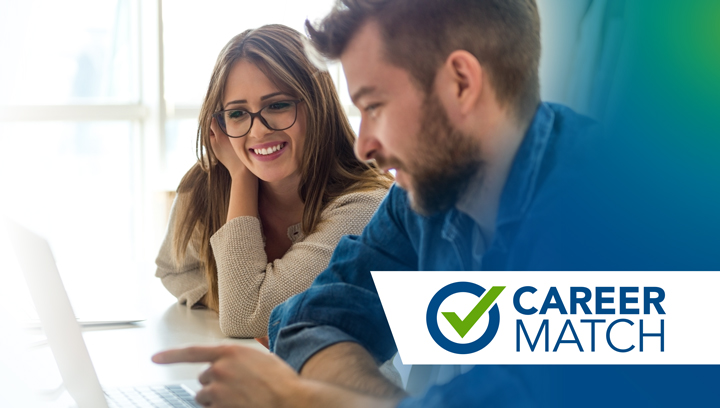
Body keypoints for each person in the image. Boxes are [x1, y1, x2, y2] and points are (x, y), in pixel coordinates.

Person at [154, 1, 716, 407]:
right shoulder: (419, 202)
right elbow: (310, 320)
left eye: (373, 105)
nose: (363, 143)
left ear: (461, 83)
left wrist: (306, 400)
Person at [154, 24, 392, 339]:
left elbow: (246, 316)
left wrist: (241, 177)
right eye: (238, 113)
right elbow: (174, 269)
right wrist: (232, 296)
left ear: (317, 106)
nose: (257, 131)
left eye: (277, 105)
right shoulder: (208, 183)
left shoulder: (366, 204)